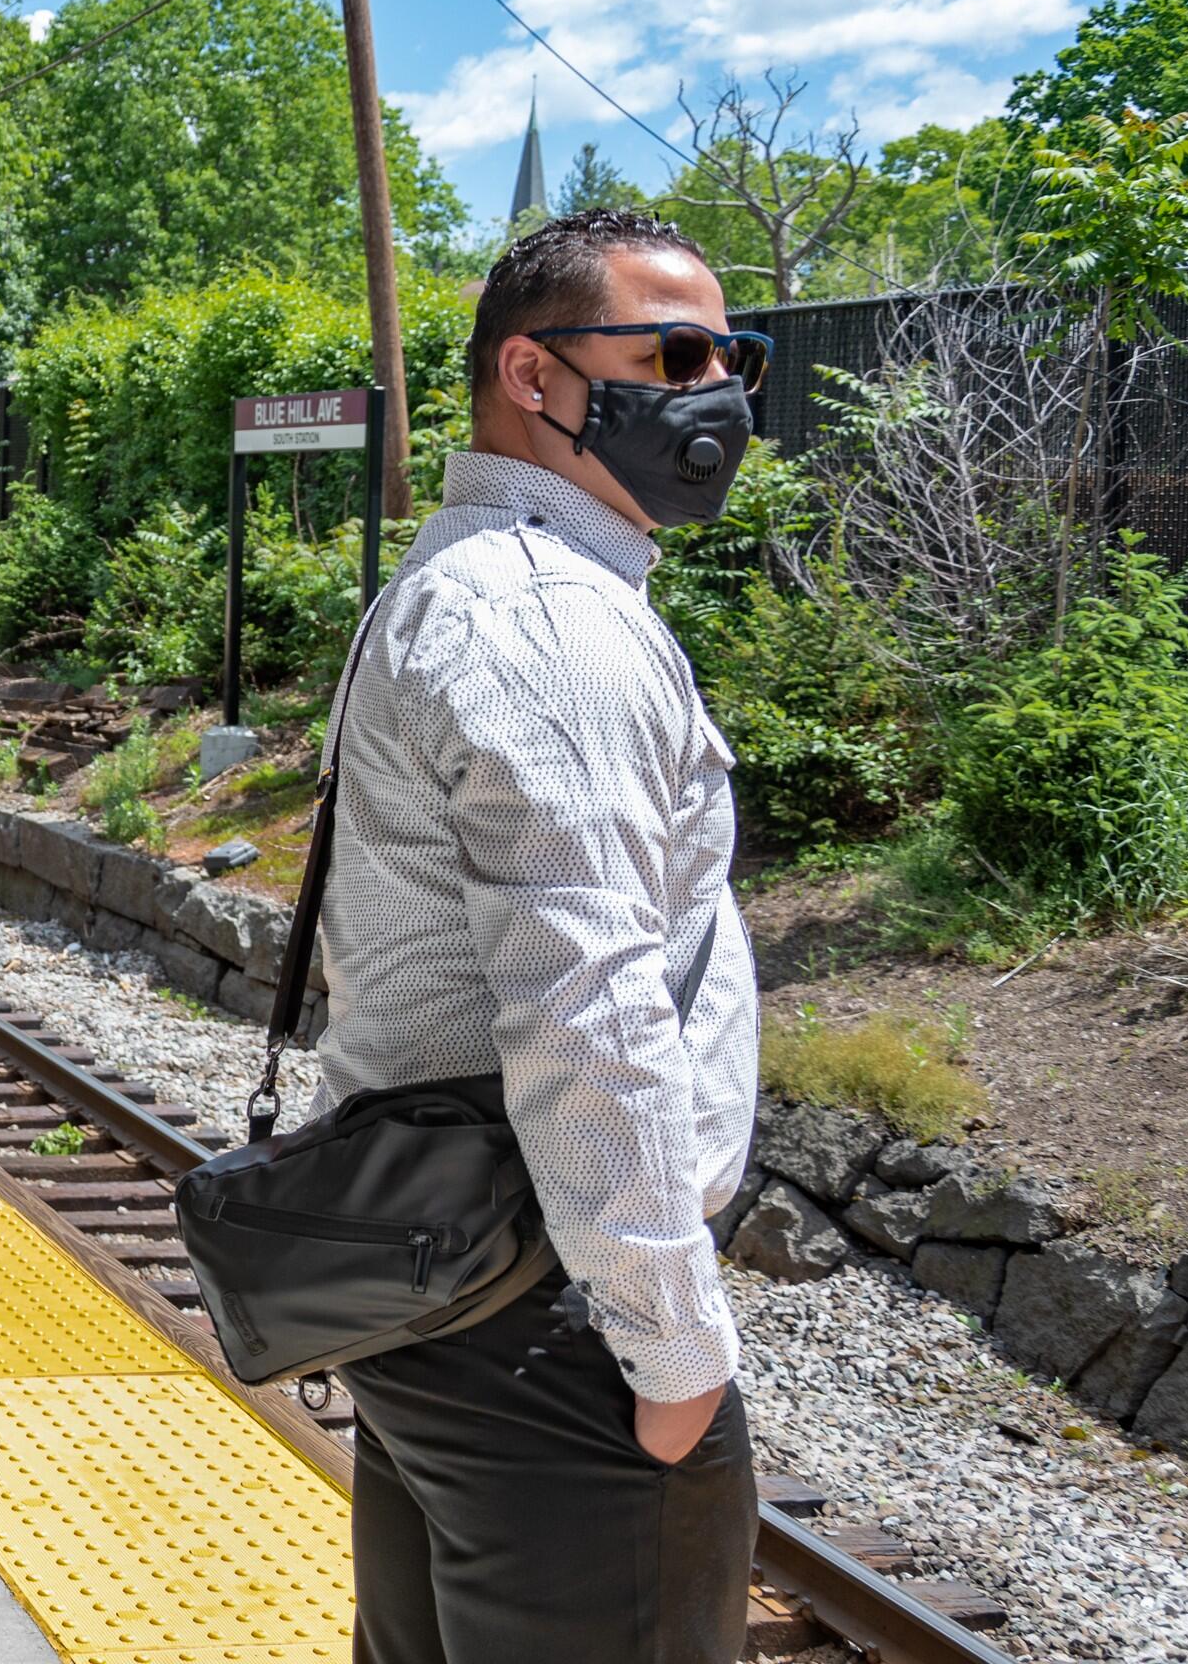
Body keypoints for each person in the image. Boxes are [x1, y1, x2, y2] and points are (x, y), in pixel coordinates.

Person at [322, 209, 764, 1663]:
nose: (715, 392)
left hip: (439, 1271)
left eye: (731, 356)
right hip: (545, 1303)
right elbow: (586, 1001)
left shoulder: (463, 582)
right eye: (673, 350)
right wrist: (671, 1350)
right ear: (530, 371)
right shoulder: (542, 622)